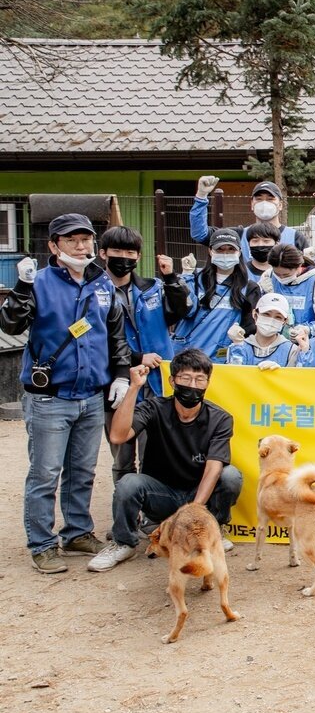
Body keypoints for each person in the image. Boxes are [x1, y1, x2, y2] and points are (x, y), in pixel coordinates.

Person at [1, 213, 134, 573]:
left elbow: (115, 335)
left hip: (91, 395)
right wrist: (21, 288)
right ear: (53, 246)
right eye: (71, 239)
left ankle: (77, 532)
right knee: (45, 472)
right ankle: (42, 543)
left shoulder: (102, 284)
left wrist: (120, 375)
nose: (80, 245)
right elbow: (11, 322)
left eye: (86, 239)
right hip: (50, 397)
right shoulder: (40, 282)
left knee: (83, 470)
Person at [89, 348, 241, 572]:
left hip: (197, 496)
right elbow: (118, 435)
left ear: (208, 383)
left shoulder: (220, 418)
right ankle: (124, 543)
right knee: (129, 483)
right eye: (186, 378)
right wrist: (134, 388)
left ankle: (211, 531)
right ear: (172, 380)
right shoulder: (154, 408)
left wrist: (194, 512)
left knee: (231, 475)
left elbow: (213, 468)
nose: (193, 385)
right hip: (162, 494)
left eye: (200, 379)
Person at [98, 225, 189, 485]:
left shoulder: (152, 288)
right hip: (118, 383)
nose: (123, 257)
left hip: (157, 381)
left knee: (155, 452)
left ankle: (151, 516)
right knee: (122, 457)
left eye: (130, 252)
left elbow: (179, 312)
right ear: (103, 253)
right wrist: (137, 358)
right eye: (116, 250)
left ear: (138, 256)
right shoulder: (94, 293)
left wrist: (171, 278)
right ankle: (124, 516)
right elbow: (97, 341)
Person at [171, 227, 261, 360]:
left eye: (231, 249)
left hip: (221, 360)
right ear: (210, 251)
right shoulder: (194, 279)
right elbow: (184, 311)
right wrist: (185, 277)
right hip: (186, 356)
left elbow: (250, 327)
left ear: (239, 252)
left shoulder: (248, 287)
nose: (225, 254)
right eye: (220, 249)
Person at [190, 176, 301, 259]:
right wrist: (201, 196)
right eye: (259, 199)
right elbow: (200, 234)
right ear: (252, 204)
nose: (264, 203)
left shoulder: (295, 237)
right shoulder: (238, 235)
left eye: (270, 199)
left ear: (280, 204)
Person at [260, 243, 315, 329]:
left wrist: (309, 330)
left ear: (299, 266)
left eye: (286, 275)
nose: (281, 278)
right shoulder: (269, 278)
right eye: (277, 274)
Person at [225, 293, 304, 369]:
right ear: (255, 315)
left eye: (278, 317)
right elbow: (234, 377)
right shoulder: (240, 346)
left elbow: (293, 380)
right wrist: (237, 346)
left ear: (285, 322)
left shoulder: (292, 351)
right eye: (266, 314)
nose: (271, 320)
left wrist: (280, 374)